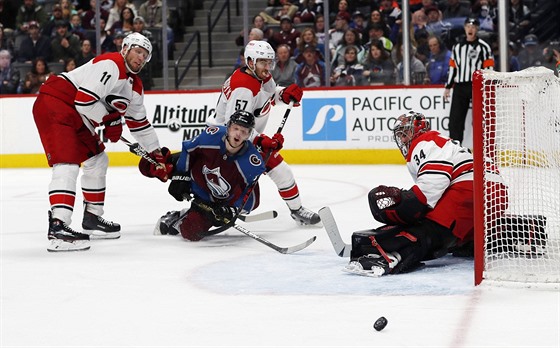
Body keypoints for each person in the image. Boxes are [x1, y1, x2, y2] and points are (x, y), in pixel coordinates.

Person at [32, 32, 172, 252]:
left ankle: (92, 219)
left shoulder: (134, 87)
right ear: (125, 49)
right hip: (56, 103)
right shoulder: (111, 64)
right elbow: (84, 101)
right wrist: (110, 119)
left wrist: (156, 154)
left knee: (98, 160)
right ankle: (58, 226)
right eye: (137, 51)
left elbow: (139, 123)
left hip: (76, 114)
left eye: (145, 55)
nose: (140, 57)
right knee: (67, 163)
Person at [344, 111, 507, 277]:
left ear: (416, 131)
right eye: (400, 135)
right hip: (493, 192)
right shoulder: (439, 141)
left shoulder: (424, 143)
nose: (402, 139)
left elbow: (432, 186)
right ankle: (497, 234)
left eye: (404, 134)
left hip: (471, 189)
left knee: (428, 229)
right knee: (444, 226)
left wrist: (408, 202)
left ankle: (392, 255)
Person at [207, 40, 321, 225]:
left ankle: (296, 210)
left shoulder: (260, 76)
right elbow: (233, 126)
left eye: (270, 62)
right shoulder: (243, 88)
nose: (268, 67)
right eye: (263, 62)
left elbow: (267, 97)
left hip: (241, 138)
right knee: (278, 170)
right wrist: (260, 141)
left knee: (280, 172)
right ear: (251, 62)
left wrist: (283, 95)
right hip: (224, 141)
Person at [148, 110, 266, 241]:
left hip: (218, 203)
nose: (238, 134)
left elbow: (252, 198)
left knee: (191, 232)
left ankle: (183, 216)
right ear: (228, 127)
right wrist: (181, 177)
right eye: (235, 128)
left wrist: (231, 210)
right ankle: (179, 215)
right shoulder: (211, 136)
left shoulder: (251, 162)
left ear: (249, 135)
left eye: (244, 131)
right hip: (197, 182)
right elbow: (188, 150)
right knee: (148, 165)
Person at [444, 17, 494, 144]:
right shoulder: (457, 47)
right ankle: (456, 147)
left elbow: (489, 68)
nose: (470, 29)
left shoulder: (484, 47)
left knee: (480, 118)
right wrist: (448, 87)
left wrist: (488, 86)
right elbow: (453, 67)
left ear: (477, 29)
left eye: (473, 27)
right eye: (468, 26)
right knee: (455, 119)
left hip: (476, 86)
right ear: (465, 28)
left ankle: (484, 145)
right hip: (460, 86)